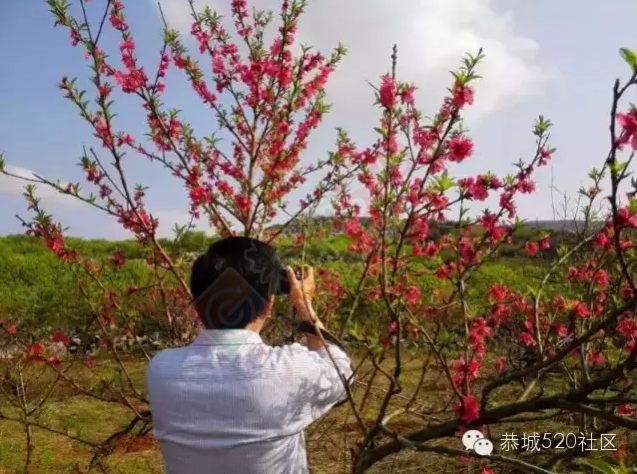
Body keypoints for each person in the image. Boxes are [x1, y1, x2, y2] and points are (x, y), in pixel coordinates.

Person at [146, 236, 354, 474]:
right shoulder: (288, 369)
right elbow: (343, 376)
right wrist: (304, 305)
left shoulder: (161, 370)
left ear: (197, 304)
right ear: (268, 305)